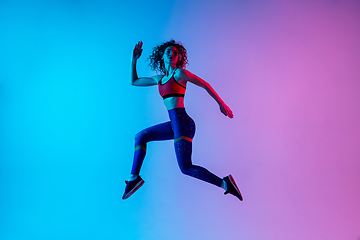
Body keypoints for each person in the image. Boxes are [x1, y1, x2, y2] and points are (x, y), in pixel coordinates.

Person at [122, 40, 243, 201]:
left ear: (178, 57)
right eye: (168, 51)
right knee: (140, 137)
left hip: (183, 124)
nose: (172, 53)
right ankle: (134, 178)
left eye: (175, 52)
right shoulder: (160, 79)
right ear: (162, 56)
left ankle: (225, 183)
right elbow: (134, 81)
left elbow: (204, 84)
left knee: (185, 167)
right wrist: (134, 59)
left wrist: (221, 104)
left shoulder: (180, 74)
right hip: (174, 125)